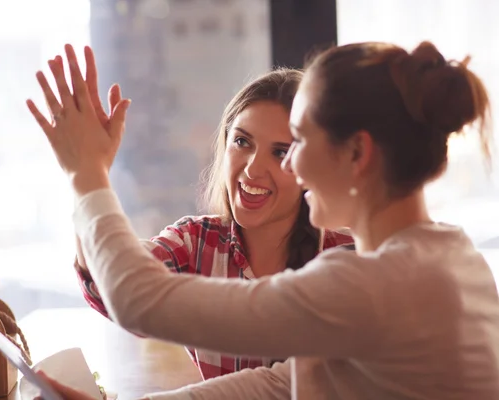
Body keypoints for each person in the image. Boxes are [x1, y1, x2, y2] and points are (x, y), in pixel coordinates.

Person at [27, 40, 499, 399]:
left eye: (297, 141)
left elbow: (138, 300)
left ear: (356, 153)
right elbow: (279, 383)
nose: (287, 167)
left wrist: (85, 172)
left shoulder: (369, 283)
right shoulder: (454, 257)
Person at [72, 58, 353, 380]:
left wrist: (88, 178)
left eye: (280, 152)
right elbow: (110, 283)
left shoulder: (348, 256)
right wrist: (89, 172)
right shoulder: (196, 242)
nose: (251, 169)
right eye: (242, 142)